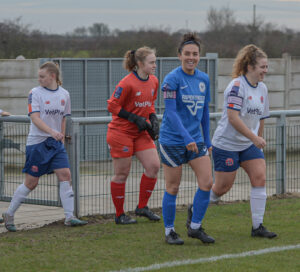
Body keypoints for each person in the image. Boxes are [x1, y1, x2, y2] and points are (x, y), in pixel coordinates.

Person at [1, 61, 87, 232]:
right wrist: (51, 132)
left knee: (65, 175)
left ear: (52, 76)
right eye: (38, 76)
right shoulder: (34, 93)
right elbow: (35, 117)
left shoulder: (64, 94)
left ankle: (69, 217)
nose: (39, 79)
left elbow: (64, 118)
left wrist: (60, 136)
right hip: (37, 143)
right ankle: (9, 213)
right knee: (31, 183)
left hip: (55, 144)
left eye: (42, 76)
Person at [210, 44, 277, 239]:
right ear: (250, 67)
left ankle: (258, 227)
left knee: (260, 178)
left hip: (248, 145)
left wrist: (258, 141)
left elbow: (262, 118)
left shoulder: (262, 89)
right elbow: (233, 117)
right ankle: (195, 210)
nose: (265, 70)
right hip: (227, 144)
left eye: (266, 67)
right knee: (222, 188)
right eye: (262, 67)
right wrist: (254, 137)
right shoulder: (237, 86)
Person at [159, 32, 214, 245]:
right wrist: (186, 137)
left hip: (196, 141)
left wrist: (206, 141)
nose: (191, 57)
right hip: (172, 140)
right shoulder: (171, 79)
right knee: (173, 187)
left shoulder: (203, 79)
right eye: (187, 53)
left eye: (195, 54)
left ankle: (195, 227)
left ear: (199, 56)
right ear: (179, 55)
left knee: (207, 182)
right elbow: (170, 113)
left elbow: (204, 112)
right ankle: (170, 231)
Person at [107, 47, 161, 225]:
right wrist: (133, 117)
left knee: (153, 166)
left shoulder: (154, 81)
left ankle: (142, 207)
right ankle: (120, 214)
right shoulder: (127, 83)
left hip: (140, 132)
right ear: (139, 64)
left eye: (155, 61)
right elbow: (112, 106)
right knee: (122, 174)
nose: (155, 65)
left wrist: (152, 118)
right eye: (151, 62)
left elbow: (150, 104)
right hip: (121, 132)